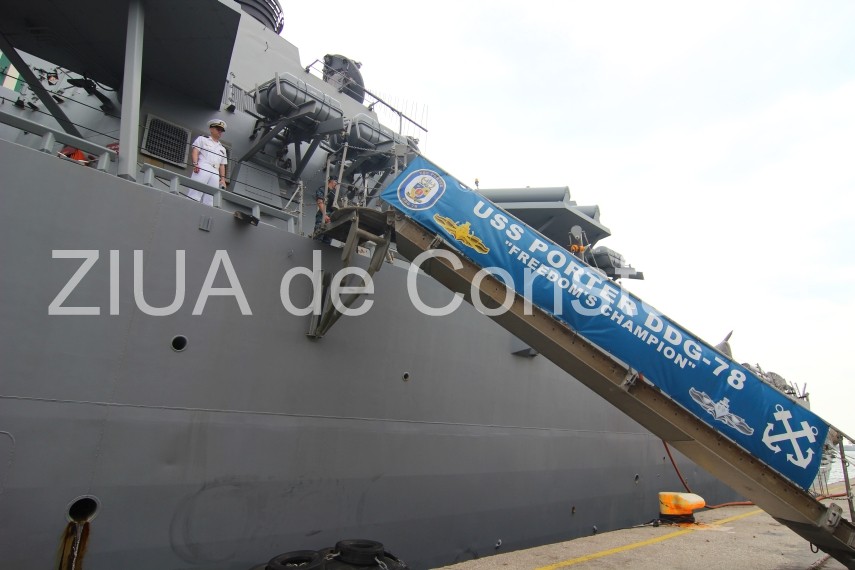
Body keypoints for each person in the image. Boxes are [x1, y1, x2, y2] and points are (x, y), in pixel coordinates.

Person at [188, 119, 228, 205]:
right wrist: (195, 164)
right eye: (218, 129)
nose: (220, 132)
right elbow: (195, 151)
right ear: (211, 129)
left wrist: (223, 179)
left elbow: (222, 165)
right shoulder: (202, 139)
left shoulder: (222, 148)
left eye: (221, 130)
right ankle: (189, 206)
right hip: (203, 166)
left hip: (215, 171)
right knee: (195, 191)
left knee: (210, 198)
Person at [314, 176, 338, 244]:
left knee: (327, 241)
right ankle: (315, 252)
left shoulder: (336, 194)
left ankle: (323, 252)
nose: (337, 184)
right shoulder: (323, 189)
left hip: (331, 219)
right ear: (331, 181)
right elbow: (320, 202)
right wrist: (325, 215)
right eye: (336, 181)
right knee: (318, 238)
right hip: (322, 216)